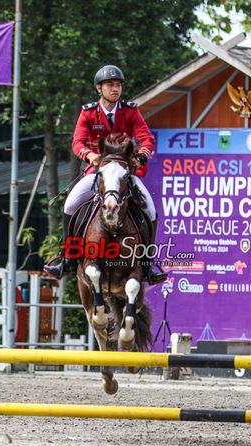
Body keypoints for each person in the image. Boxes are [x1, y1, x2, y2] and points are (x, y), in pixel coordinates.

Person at [44, 65, 166, 284]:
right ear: (99, 88)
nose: (115, 89)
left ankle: (147, 265)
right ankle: (68, 259)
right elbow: (77, 142)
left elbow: (146, 138)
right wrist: (90, 156)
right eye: (110, 85)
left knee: (150, 208)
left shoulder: (130, 110)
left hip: (124, 172)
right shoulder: (89, 112)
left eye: (118, 85)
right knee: (70, 204)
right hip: (97, 171)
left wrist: (142, 156)